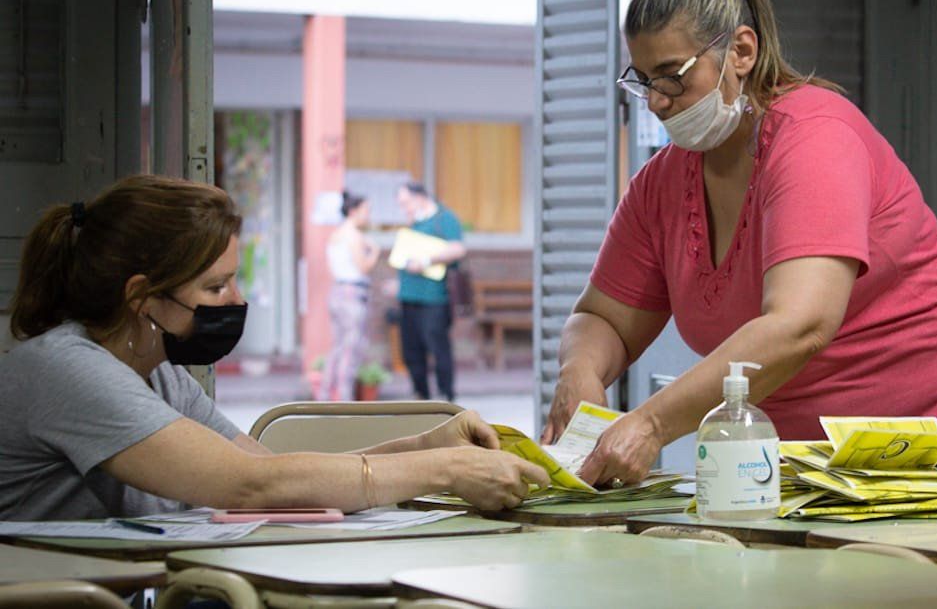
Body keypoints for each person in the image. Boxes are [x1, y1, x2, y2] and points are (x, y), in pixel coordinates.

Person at [541, 0, 937, 497]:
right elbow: (603, 318)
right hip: (818, 452)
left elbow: (800, 325)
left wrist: (652, 423)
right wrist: (579, 373)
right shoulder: (660, 185)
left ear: (741, 51)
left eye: (673, 78)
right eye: (643, 81)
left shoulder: (813, 137)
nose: (658, 102)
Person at [0, 175, 548, 521]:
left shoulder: (157, 374)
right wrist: (446, 470)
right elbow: (253, 485)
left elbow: (277, 471)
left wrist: (427, 444)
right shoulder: (68, 369)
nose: (236, 300)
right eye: (215, 287)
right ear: (142, 297)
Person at [394, 182, 465, 402]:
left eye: (406, 203)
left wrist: (426, 261)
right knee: (411, 350)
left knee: (437, 347)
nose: (404, 209)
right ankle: (421, 394)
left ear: (420, 198)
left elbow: (458, 249)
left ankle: (446, 395)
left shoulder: (444, 219)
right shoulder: (413, 223)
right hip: (408, 298)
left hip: (434, 298)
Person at [317, 191, 379, 402]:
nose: (368, 215)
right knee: (350, 349)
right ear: (354, 211)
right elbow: (363, 267)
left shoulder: (336, 234)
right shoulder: (353, 235)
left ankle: (325, 395)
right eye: (366, 210)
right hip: (353, 293)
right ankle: (344, 398)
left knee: (337, 347)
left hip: (337, 292)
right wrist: (375, 252)